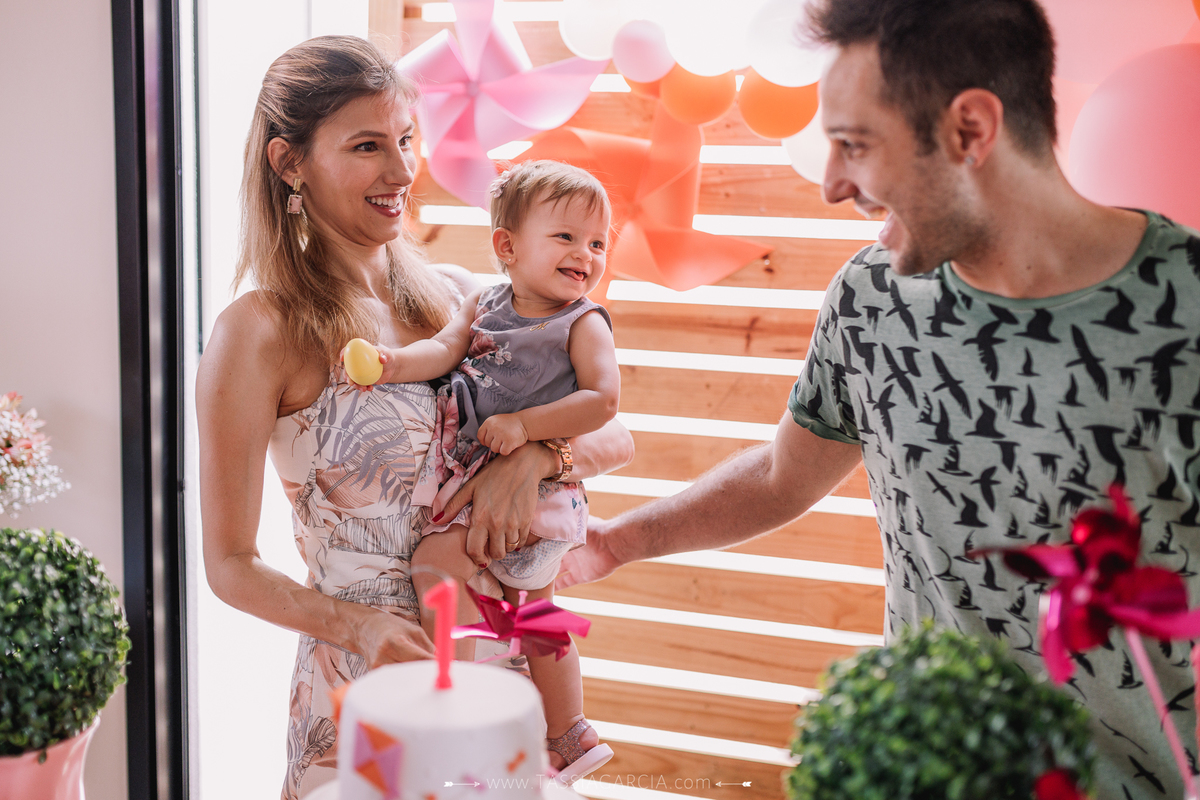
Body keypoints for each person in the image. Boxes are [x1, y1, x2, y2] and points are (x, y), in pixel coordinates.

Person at [556, 1, 1200, 797]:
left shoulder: (1188, 310)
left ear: (970, 129)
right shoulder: (872, 296)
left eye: (855, 145)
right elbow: (780, 478)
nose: (830, 185)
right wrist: (619, 542)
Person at [195, 36, 633, 800]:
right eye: (368, 146)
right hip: (364, 689)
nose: (402, 172)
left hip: (498, 679)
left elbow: (616, 433)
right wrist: (359, 627)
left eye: (405, 140)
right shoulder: (259, 332)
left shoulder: (461, 297)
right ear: (288, 162)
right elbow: (229, 565)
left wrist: (533, 459)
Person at [348, 160, 619, 782]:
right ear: (507, 246)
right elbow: (442, 351)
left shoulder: (582, 323)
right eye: (567, 237)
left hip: (542, 497)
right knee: (533, 613)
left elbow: (604, 402)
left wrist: (526, 430)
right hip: (476, 484)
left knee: (447, 569)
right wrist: (391, 364)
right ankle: (565, 734)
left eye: (598, 242)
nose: (586, 254)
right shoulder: (482, 303)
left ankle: (468, 705)